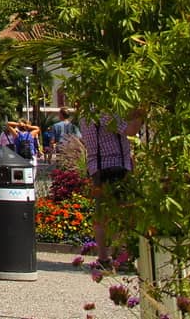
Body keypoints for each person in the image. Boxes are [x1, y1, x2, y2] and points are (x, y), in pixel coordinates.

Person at [79, 111, 142, 268]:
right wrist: (140, 112)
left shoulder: (85, 115)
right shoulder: (106, 114)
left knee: (101, 216)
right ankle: (122, 257)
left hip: (97, 169)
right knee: (121, 214)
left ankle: (103, 257)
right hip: (115, 166)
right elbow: (131, 130)